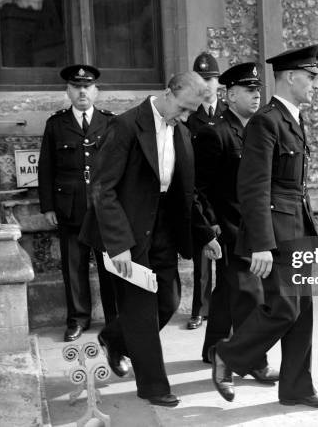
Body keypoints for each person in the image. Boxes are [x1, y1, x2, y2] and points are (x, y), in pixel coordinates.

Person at [82, 71, 221, 407]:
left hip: (163, 228)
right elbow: (102, 188)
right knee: (141, 311)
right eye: (185, 108)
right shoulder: (127, 126)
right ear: (168, 93)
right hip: (127, 229)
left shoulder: (183, 132)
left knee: (169, 300)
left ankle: (114, 338)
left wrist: (205, 234)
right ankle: (153, 386)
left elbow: (185, 194)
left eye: (192, 111)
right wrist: (120, 245)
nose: (187, 117)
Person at [209, 45, 318, 409]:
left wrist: (313, 235)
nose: (315, 84)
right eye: (311, 77)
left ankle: (297, 387)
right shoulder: (267, 121)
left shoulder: (293, 119)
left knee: (303, 312)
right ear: (291, 76)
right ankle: (229, 355)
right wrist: (261, 243)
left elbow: (296, 189)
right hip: (277, 235)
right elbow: (253, 187)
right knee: (284, 309)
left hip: (296, 231)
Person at [195, 62, 279, 384]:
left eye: (258, 90)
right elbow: (197, 188)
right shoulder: (214, 133)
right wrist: (210, 228)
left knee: (228, 292)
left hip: (255, 227)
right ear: (229, 95)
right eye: (249, 90)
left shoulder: (259, 129)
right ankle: (255, 362)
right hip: (230, 230)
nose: (256, 96)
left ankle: (213, 348)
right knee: (251, 297)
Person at [38, 64, 117, 342]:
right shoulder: (56, 124)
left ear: (96, 90)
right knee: (73, 267)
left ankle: (114, 321)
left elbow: (121, 167)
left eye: (87, 86)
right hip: (69, 207)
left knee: (110, 267)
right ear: (68, 91)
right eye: (76, 86)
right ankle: (78, 320)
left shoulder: (110, 122)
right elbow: (46, 168)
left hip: (104, 209)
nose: (82, 91)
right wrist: (48, 206)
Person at [185, 52, 228, 330]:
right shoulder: (189, 116)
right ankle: (199, 309)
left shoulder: (230, 112)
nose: (207, 84)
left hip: (225, 195)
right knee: (202, 256)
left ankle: (224, 306)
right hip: (199, 194)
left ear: (219, 82)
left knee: (226, 258)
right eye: (202, 79)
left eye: (211, 78)